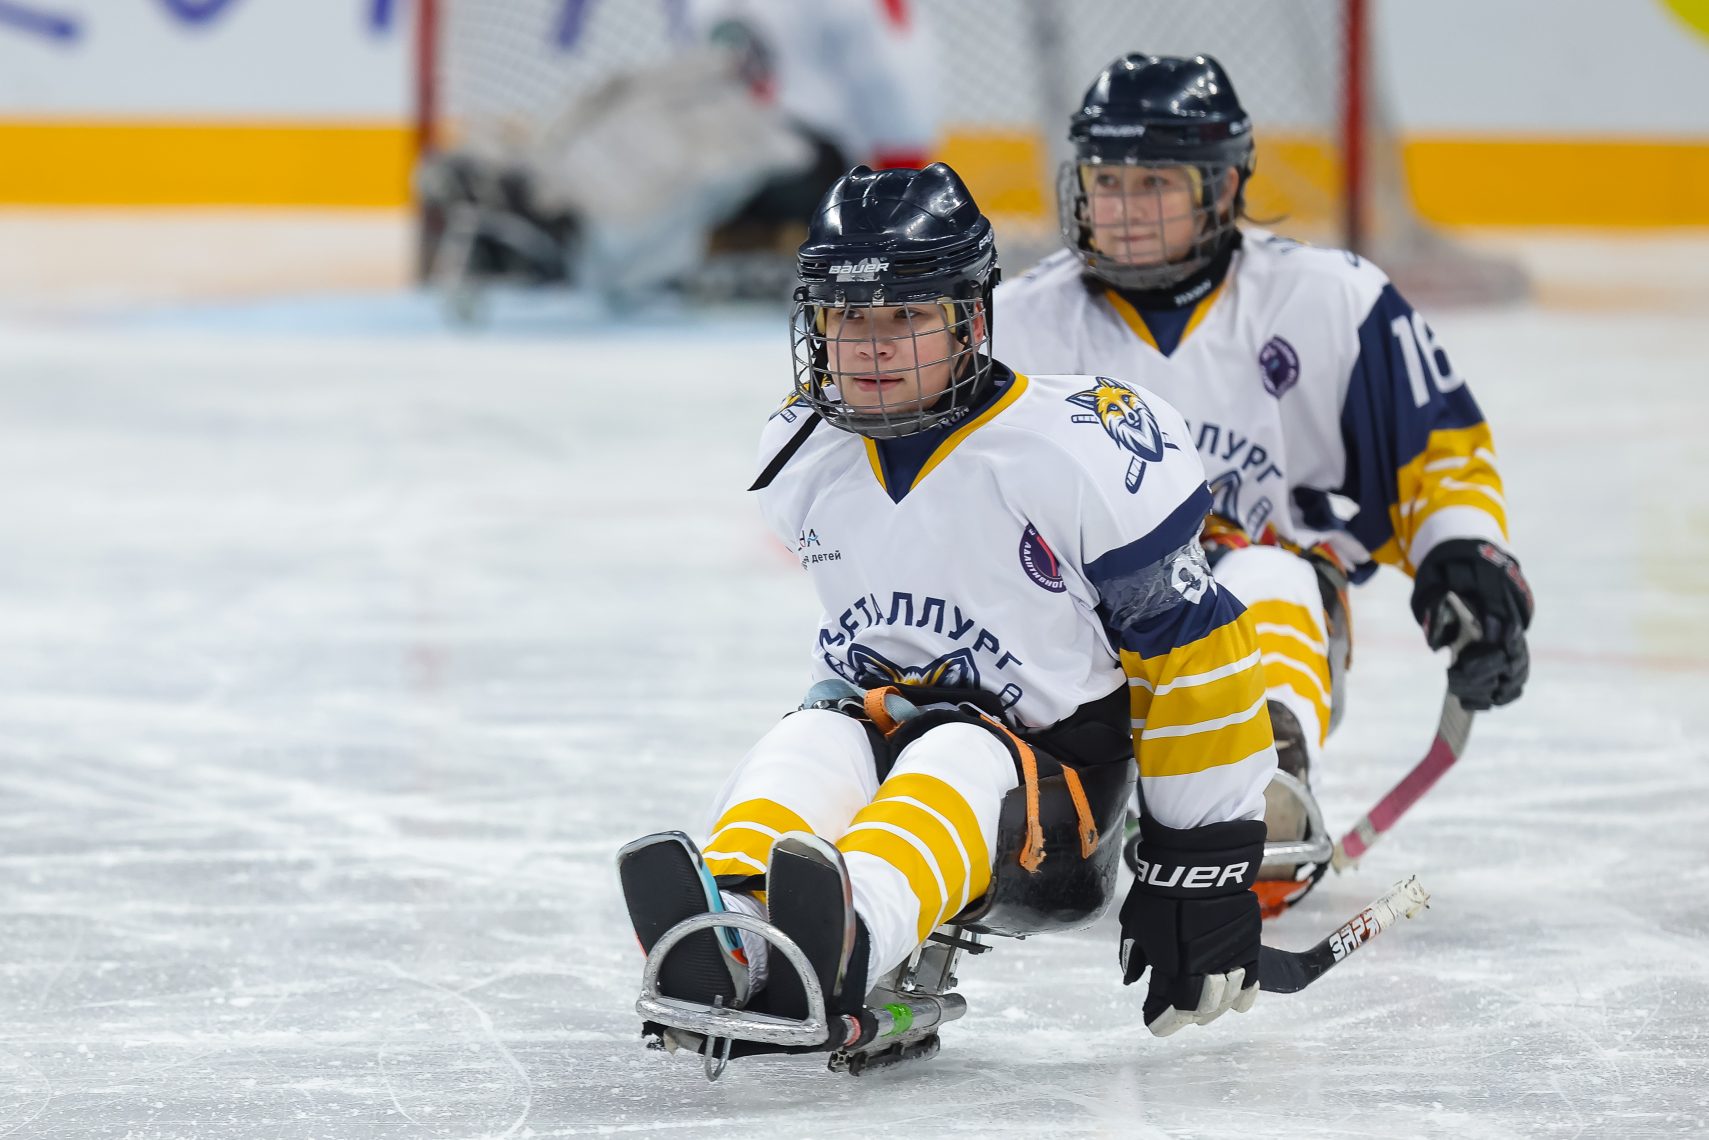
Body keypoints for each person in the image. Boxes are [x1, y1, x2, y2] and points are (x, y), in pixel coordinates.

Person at [618, 162, 1284, 1052]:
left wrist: (1201, 867)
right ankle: (733, 925)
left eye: (907, 316)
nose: (873, 346)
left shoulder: (1076, 448)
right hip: (889, 729)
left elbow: (1195, 657)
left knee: (957, 755)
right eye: (850, 317)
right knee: (809, 738)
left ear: (969, 319)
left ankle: (846, 934)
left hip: (1053, 803)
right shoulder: (806, 452)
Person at [991, 54, 1534, 915]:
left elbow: (1436, 453)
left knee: (1271, 576)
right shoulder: (1013, 322)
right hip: (1080, 649)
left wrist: (1464, 556)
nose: (1123, 210)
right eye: (1105, 182)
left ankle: (1264, 788)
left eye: (1154, 183)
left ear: (1224, 184)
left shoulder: (1330, 302)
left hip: (1254, 622)